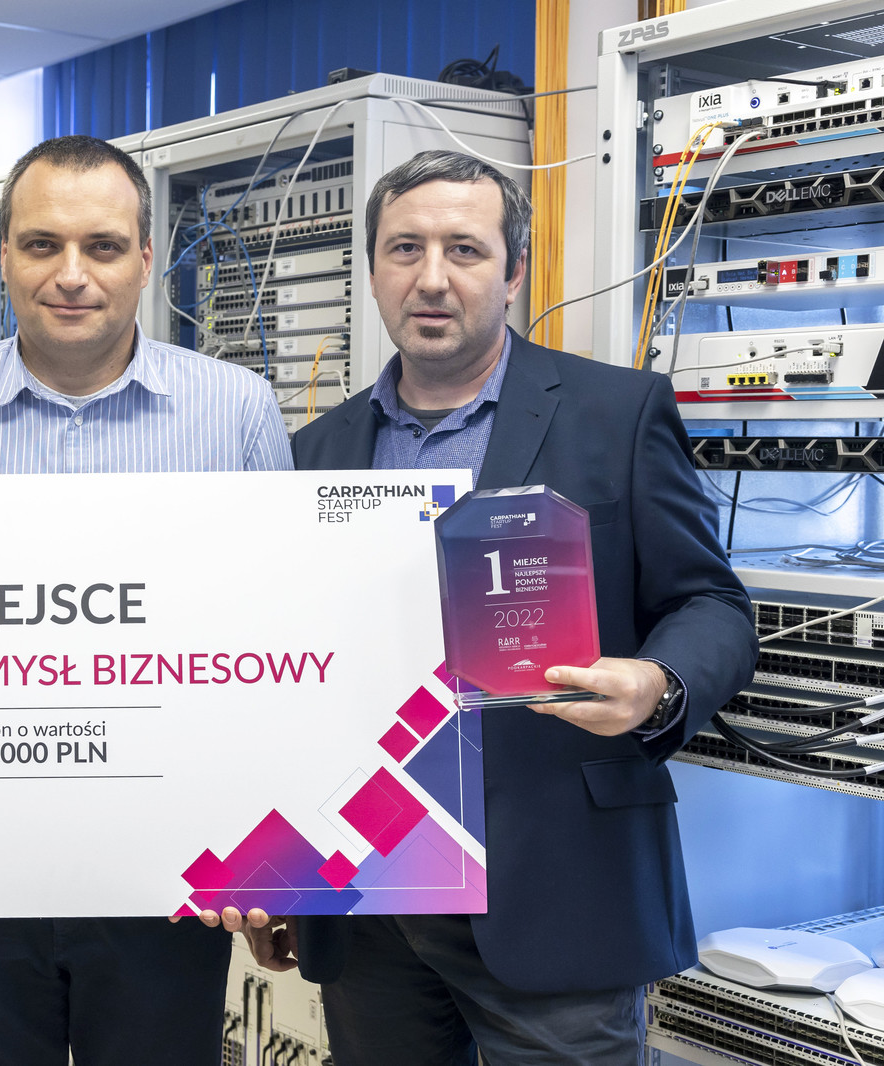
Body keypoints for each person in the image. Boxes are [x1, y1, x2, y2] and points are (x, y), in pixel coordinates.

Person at [238, 150, 759, 1064]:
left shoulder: (616, 413)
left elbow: (711, 601)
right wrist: (275, 869)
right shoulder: (315, 451)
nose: (432, 278)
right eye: (405, 248)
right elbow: (288, 671)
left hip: (561, 885)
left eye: (465, 250)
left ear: (514, 272)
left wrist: (657, 681)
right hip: (373, 898)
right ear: (373, 270)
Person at [0, 134, 292, 1065]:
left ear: (146, 258)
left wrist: (276, 855)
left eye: (103, 246)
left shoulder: (236, 408)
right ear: (4, 255)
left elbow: (278, 640)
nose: (72, 275)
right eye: (42, 244)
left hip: (166, 878)